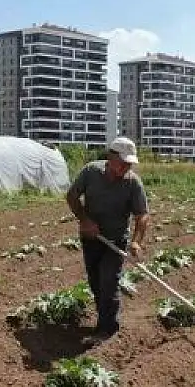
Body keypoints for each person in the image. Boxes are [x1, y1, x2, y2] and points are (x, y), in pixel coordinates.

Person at [65, 136, 151, 338]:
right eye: (123, 163)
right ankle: (103, 319)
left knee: (109, 281)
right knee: (96, 282)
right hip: (91, 238)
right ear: (111, 157)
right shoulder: (91, 172)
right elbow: (72, 196)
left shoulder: (132, 183)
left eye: (129, 164)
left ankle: (107, 329)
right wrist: (85, 220)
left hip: (115, 240)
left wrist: (137, 242)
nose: (125, 168)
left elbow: (142, 215)